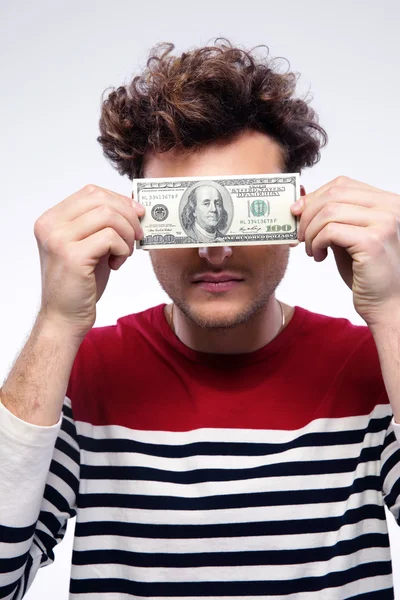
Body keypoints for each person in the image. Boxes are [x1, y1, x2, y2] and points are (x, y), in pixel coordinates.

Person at [0, 39, 400, 600]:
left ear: (297, 209)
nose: (215, 252)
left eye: (237, 213)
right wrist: (55, 322)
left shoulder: (375, 366)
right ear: (140, 217)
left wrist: (394, 313)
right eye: (188, 217)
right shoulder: (81, 371)